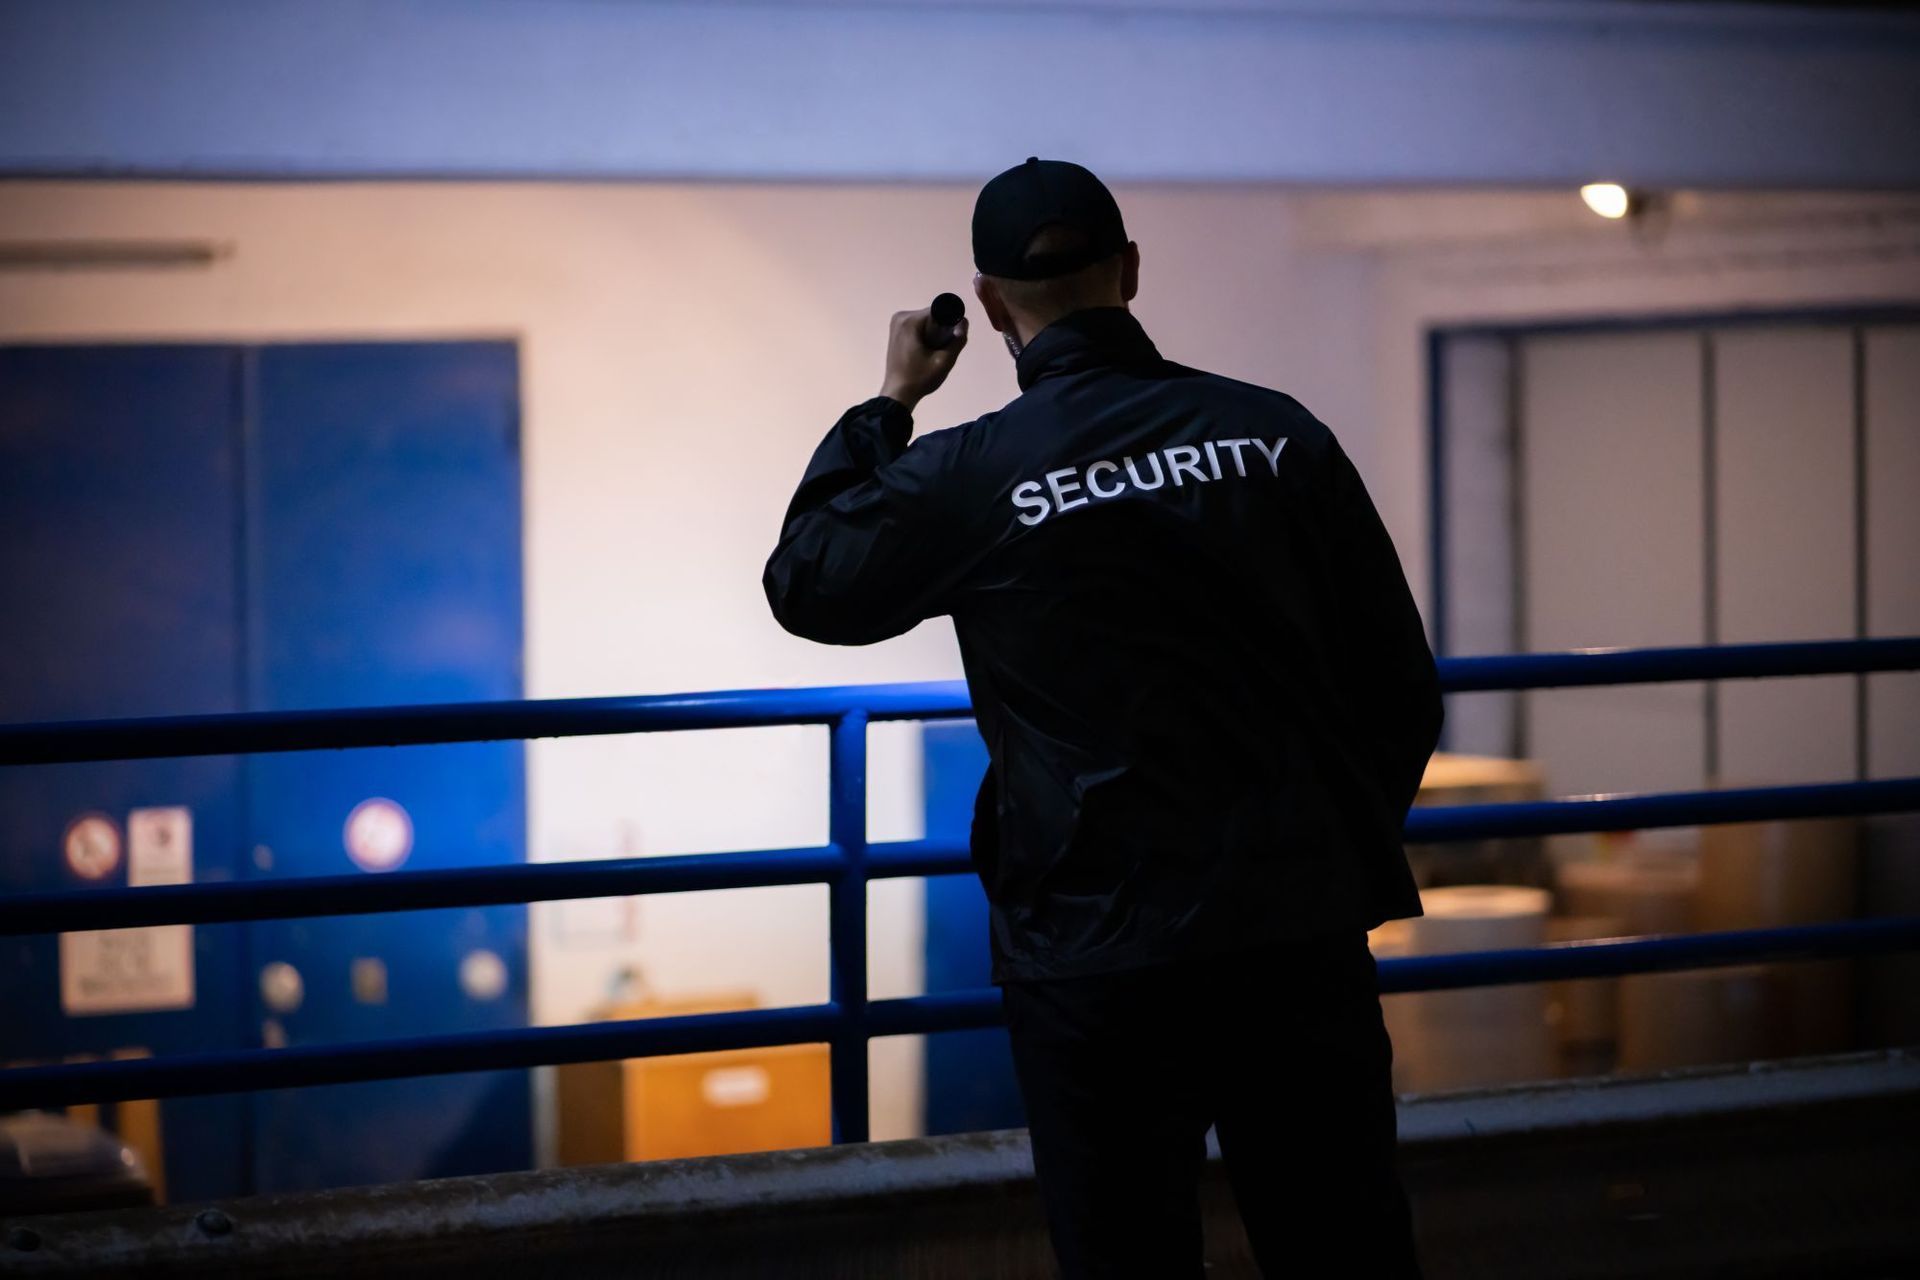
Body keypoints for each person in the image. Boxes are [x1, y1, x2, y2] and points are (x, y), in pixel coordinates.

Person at [763, 157, 1438, 1279]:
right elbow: (1400, 684)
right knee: (1344, 1248)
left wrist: (889, 402)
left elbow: (809, 581)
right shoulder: (1280, 438)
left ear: (985, 307)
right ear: (1129, 270)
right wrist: (1321, 850)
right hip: (1293, 936)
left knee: (1127, 1257)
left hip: (1095, 958)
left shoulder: (972, 474)